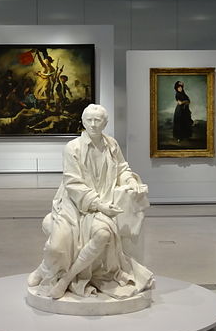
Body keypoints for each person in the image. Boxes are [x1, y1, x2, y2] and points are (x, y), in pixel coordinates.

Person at [27, 104, 154, 300]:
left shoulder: (112, 145)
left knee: (103, 234)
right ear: (83, 122)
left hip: (104, 203)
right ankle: (44, 268)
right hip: (74, 205)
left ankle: (66, 280)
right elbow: (73, 183)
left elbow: (122, 168)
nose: (93, 124)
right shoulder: (73, 147)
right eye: (89, 120)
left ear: (105, 123)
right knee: (57, 246)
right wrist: (98, 205)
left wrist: (129, 180)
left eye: (98, 120)